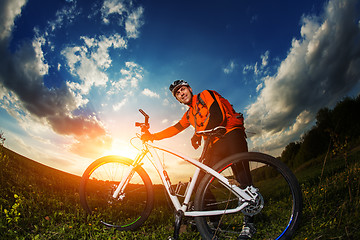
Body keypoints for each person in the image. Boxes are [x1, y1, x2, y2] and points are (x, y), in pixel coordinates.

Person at [141, 80, 255, 239]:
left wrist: (198, 134)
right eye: (177, 94)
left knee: (242, 176)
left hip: (230, 134)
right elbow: (174, 129)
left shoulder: (205, 95)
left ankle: (249, 222)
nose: (181, 93)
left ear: (189, 89)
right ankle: (214, 222)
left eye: (182, 89)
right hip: (214, 144)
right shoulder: (188, 115)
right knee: (200, 181)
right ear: (178, 100)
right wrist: (153, 137)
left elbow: (217, 113)